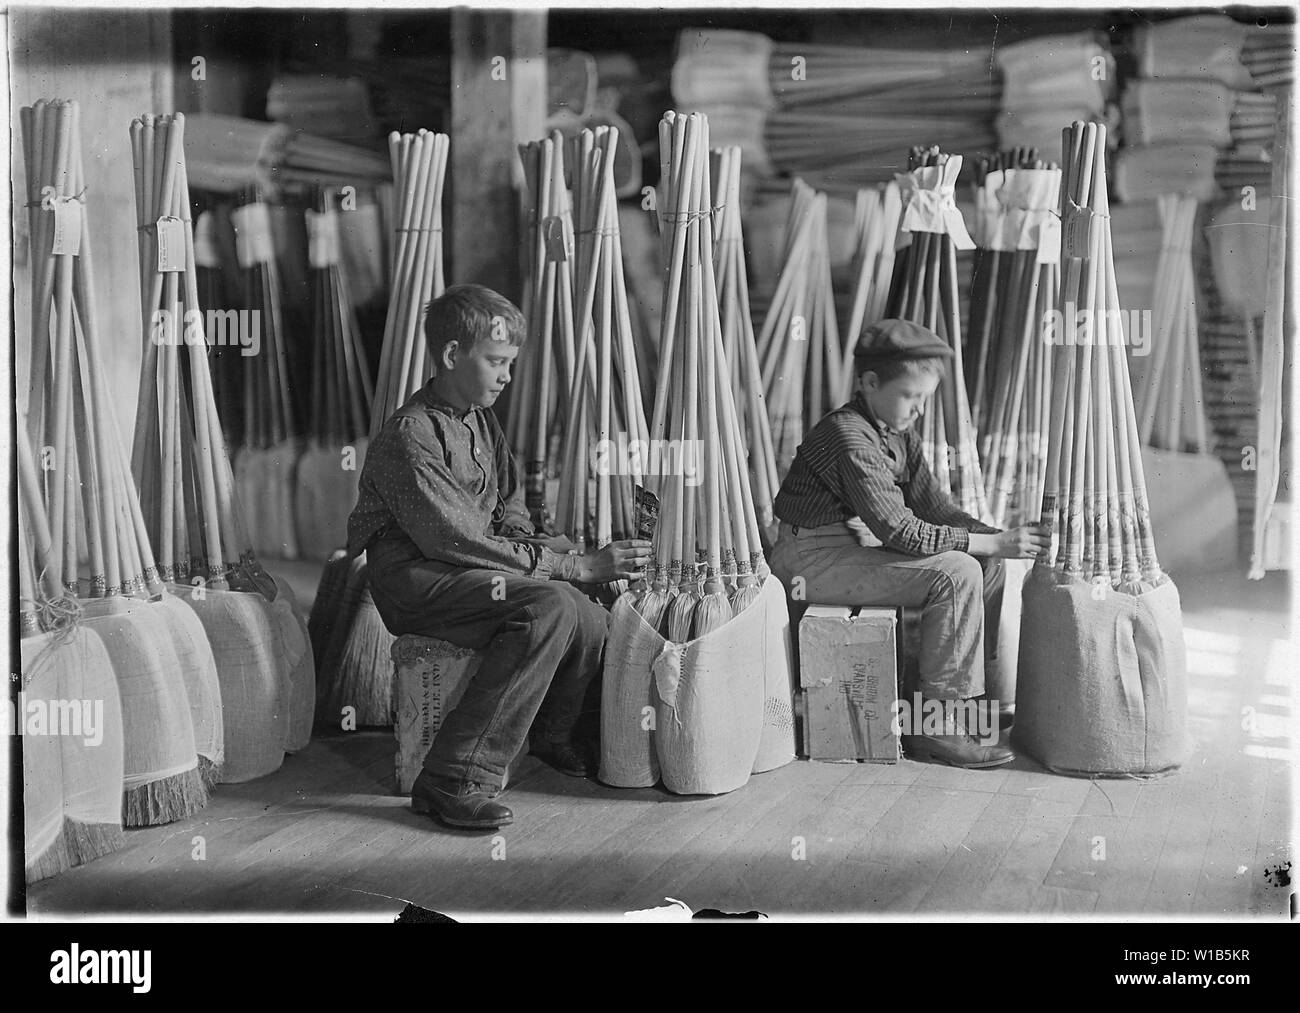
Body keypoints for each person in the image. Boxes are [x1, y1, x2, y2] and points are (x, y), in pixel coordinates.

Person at [348, 284, 652, 829]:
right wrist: (573, 566)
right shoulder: (410, 435)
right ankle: (452, 778)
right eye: (496, 362)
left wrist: (545, 548)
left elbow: (509, 507)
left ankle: (553, 734)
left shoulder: (479, 418)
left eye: (511, 363)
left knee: (587, 612)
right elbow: (456, 539)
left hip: (466, 569)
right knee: (552, 605)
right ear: (449, 356)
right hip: (417, 579)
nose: (507, 376)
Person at [769, 318, 1050, 768]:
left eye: (924, 399)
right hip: (807, 559)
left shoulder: (895, 434)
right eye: (911, 396)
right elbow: (900, 530)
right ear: (870, 382)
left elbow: (935, 509)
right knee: (957, 572)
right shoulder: (848, 434)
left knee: (988, 564)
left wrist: (999, 540)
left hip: (840, 549)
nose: (919, 409)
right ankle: (935, 729)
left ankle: (970, 702)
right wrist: (992, 544)